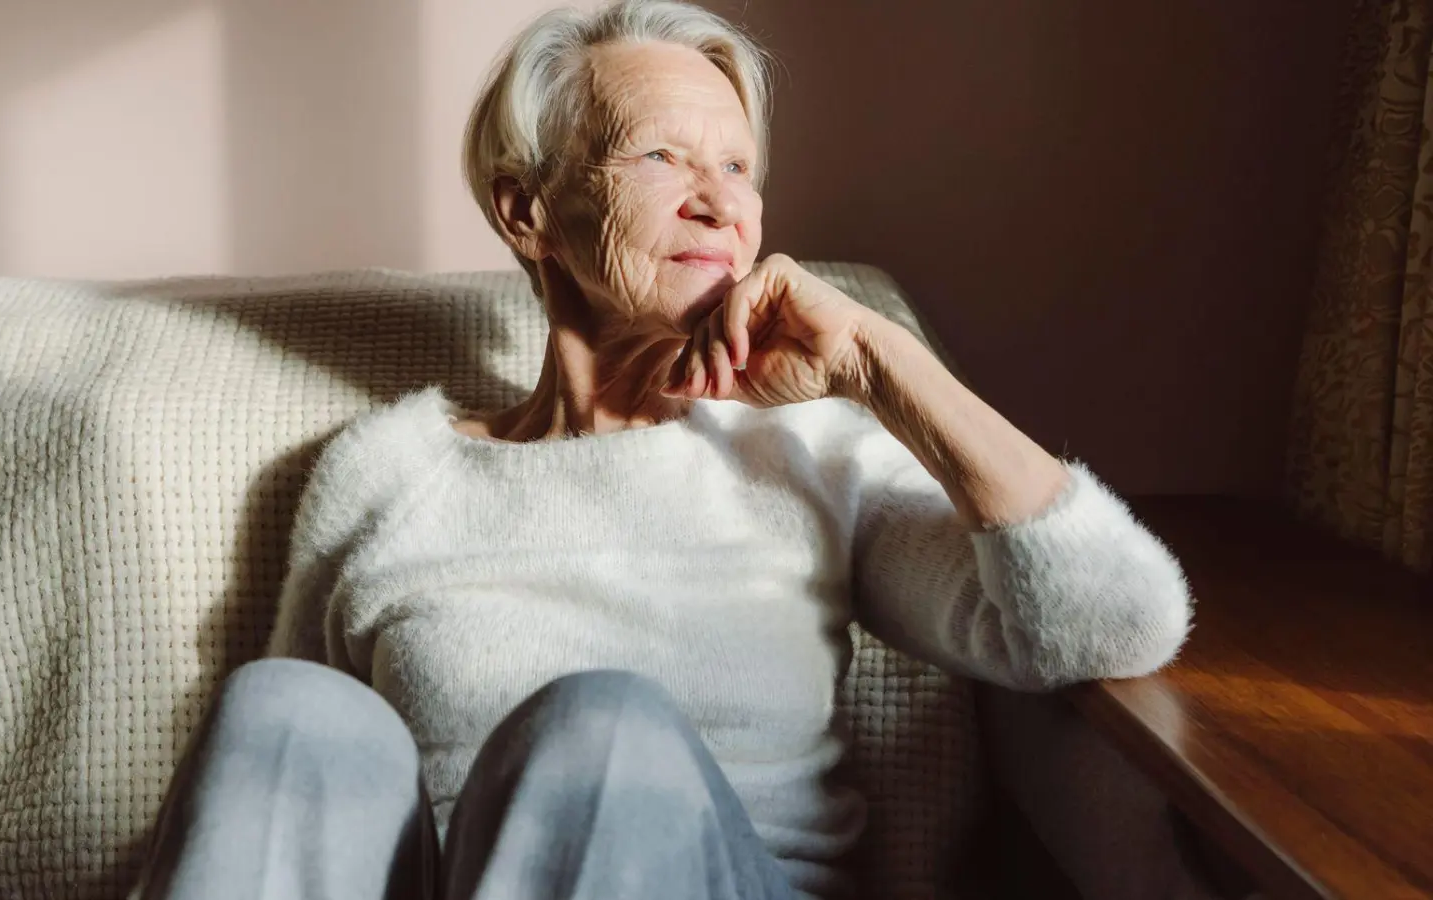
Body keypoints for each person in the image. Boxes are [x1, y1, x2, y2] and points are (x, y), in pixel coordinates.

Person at [131, 1, 1193, 898]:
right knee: (286, 710)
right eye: (660, 156)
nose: (719, 200)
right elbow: (307, 835)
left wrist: (881, 361)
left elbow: (1110, 624)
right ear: (527, 210)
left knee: (599, 727)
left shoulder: (805, 456)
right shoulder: (385, 472)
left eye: (738, 165)